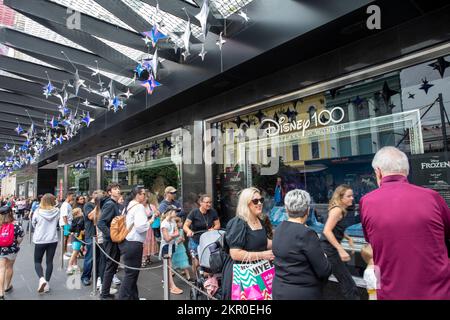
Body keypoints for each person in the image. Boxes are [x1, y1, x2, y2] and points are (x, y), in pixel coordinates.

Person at [360, 146, 450, 300]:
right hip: (438, 292)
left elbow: (372, 244)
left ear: (378, 172)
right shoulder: (433, 197)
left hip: (392, 293)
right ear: (406, 171)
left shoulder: (367, 202)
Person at [272, 190, 331, 300]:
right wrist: (325, 256)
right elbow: (324, 270)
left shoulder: (279, 229)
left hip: (279, 290)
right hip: (302, 293)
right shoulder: (306, 233)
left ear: (286, 209)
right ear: (308, 210)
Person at [222, 187, 275, 300]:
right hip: (242, 273)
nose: (259, 203)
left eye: (261, 200)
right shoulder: (238, 223)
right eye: (255, 201)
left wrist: (284, 241)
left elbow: (264, 243)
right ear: (246, 204)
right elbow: (235, 253)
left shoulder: (259, 221)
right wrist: (263, 255)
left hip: (259, 271)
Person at [321, 185, 359, 300]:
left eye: (352, 195)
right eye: (349, 196)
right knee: (348, 284)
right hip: (329, 250)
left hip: (330, 249)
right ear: (341, 197)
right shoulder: (337, 210)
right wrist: (341, 249)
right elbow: (327, 231)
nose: (352, 198)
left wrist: (348, 238)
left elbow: (335, 228)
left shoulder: (341, 210)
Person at [117, 186, 150, 300]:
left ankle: (133, 297)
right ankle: (123, 297)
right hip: (134, 243)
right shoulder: (139, 206)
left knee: (131, 273)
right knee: (131, 274)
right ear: (138, 195)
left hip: (127, 242)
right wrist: (149, 222)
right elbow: (141, 227)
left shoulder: (128, 205)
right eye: (143, 194)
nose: (145, 196)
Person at [184, 194, 220, 276]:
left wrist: (213, 229)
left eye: (210, 202)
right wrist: (189, 231)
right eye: (207, 202)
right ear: (201, 203)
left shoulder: (213, 212)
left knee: (206, 261)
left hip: (207, 240)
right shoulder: (194, 212)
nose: (209, 204)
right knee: (196, 263)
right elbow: (185, 226)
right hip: (195, 240)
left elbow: (218, 225)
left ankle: (205, 278)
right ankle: (196, 278)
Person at [97, 183, 121, 299]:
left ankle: (105, 292)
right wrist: (112, 235)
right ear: (110, 192)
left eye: (118, 189)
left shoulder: (115, 204)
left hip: (113, 240)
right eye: (115, 189)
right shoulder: (110, 205)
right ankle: (104, 294)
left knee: (111, 267)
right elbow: (100, 223)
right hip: (110, 241)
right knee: (110, 266)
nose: (118, 190)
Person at [32, 193, 60, 293]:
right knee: (49, 262)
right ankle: (47, 283)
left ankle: (41, 278)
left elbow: (33, 223)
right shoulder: (57, 211)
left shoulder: (38, 211)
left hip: (40, 239)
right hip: (52, 239)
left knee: (37, 261)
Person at [0, 206, 24, 300]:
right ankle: (7, 287)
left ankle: (0, 292)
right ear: (10, 213)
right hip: (12, 250)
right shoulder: (16, 224)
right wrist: (16, 243)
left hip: (1, 249)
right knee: (9, 267)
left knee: (1, 269)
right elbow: (20, 237)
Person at [81, 190, 104, 286]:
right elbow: (90, 217)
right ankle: (85, 277)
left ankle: (98, 276)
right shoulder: (88, 205)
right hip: (91, 235)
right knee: (89, 257)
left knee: (99, 258)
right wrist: (97, 206)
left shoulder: (103, 205)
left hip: (100, 235)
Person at [160, 205, 183, 295]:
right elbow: (167, 238)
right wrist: (174, 235)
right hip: (166, 247)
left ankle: (167, 283)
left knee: (168, 266)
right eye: (175, 211)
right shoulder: (164, 223)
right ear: (169, 212)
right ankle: (172, 286)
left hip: (172, 246)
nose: (176, 213)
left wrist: (173, 235)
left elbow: (176, 233)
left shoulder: (172, 221)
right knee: (168, 267)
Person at [142, 191, 158, 267]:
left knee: (149, 241)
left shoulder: (151, 206)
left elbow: (157, 212)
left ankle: (148, 257)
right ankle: (143, 259)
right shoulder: (139, 207)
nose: (145, 199)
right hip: (143, 226)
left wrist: (156, 214)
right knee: (144, 242)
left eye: (146, 198)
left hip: (150, 227)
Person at [67, 208, 85, 275]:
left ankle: (75, 265)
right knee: (75, 252)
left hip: (74, 237)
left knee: (75, 252)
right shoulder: (81, 219)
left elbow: (71, 229)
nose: (82, 212)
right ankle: (70, 265)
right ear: (77, 213)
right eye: (81, 211)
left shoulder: (74, 220)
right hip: (78, 237)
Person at [60, 192, 74, 256]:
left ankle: (65, 251)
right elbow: (64, 216)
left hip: (67, 223)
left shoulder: (67, 204)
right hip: (65, 223)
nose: (73, 197)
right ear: (68, 196)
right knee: (65, 238)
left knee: (66, 238)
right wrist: (66, 225)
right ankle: (63, 252)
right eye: (72, 196)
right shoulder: (65, 205)